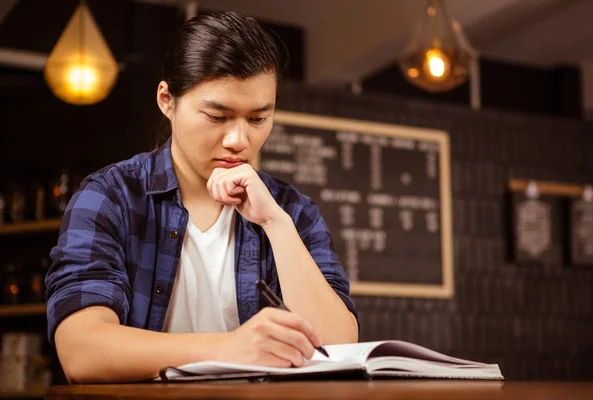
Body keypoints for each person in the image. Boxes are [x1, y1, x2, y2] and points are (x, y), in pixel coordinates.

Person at [45, 11, 359, 384]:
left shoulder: (292, 211)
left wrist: (275, 224)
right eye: (216, 116)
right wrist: (228, 348)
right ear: (167, 100)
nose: (239, 141)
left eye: (258, 119)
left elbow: (338, 346)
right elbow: (81, 351)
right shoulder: (111, 197)